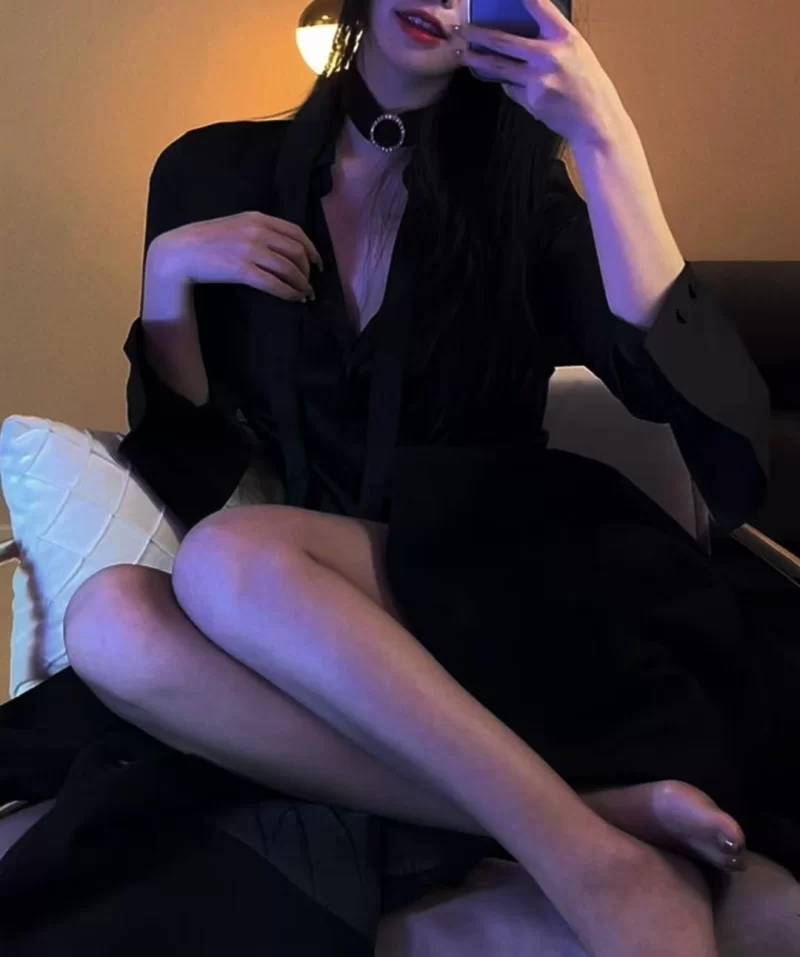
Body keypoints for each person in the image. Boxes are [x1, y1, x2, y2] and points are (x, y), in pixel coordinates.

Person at [0, 0, 793, 955]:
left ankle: (592, 863)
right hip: (315, 622)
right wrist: (168, 279)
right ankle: (588, 815)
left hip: (507, 587)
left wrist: (605, 136)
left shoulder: (526, 209)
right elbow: (183, 464)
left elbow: (698, 407)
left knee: (226, 559)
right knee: (109, 621)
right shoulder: (210, 171)